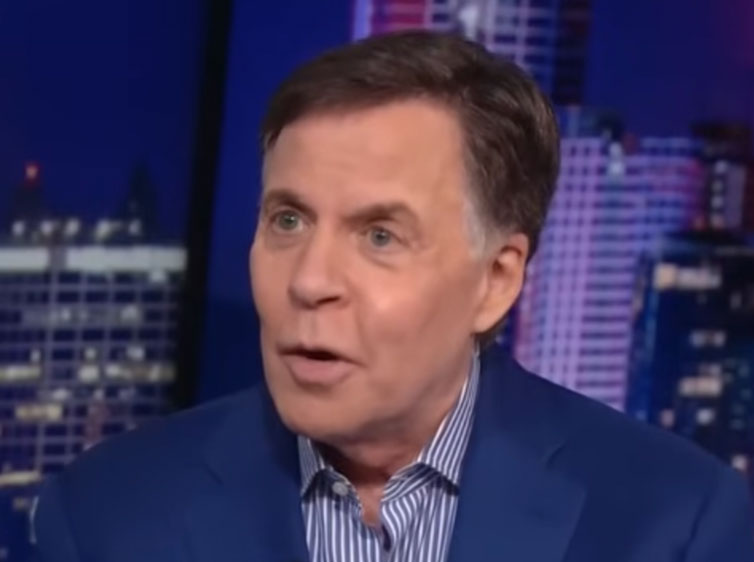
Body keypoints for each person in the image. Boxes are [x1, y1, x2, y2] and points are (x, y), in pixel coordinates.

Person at [32, 30, 754, 562]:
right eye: (288, 221)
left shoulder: (677, 524)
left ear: (496, 280)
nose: (309, 281)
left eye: (379, 235)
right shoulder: (105, 518)